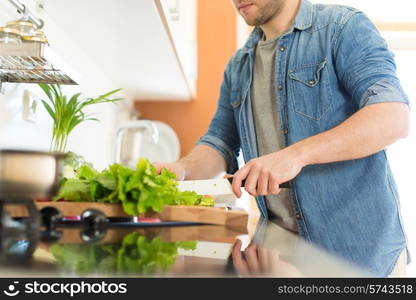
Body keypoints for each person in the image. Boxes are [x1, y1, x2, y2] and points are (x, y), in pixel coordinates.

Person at [153, 0, 410, 277]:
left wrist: (295, 156)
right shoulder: (238, 67)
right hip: (278, 256)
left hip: (359, 256)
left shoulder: (342, 27)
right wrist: (181, 169)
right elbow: (219, 142)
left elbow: (392, 116)